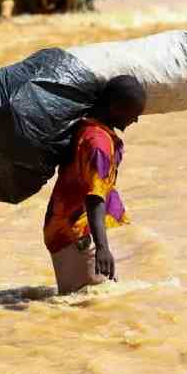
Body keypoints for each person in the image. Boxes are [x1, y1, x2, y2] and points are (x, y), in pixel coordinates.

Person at [43, 75, 146, 295]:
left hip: (69, 228)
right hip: (74, 233)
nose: (135, 120)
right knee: (86, 305)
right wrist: (102, 248)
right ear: (116, 107)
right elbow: (94, 196)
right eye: (133, 112)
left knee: (92, 303)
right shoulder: (98, 143)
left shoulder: (88, 128)